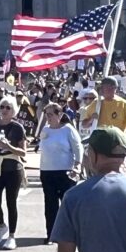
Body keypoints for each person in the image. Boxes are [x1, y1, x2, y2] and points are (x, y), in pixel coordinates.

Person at [0, 97, 28, 249]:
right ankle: (2, 225)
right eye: (2, 106)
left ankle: (12, 236)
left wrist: (8, 146)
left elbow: (23, 152)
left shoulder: (17, 127)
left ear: (13, 110)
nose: (4, 110)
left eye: (8, 107)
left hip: (13, 167)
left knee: (11, 202)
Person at [37, 101, 82, 239]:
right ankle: (51, 233)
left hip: (65, 171)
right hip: (47, 171)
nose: (48, 117)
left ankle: (71, 234)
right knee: (50, 204)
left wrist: (77, 165)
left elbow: (78, 148)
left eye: (51, 114)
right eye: (46, 114)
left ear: (60, 115)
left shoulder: (68, 130)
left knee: (67, 204)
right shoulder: (45, 130)